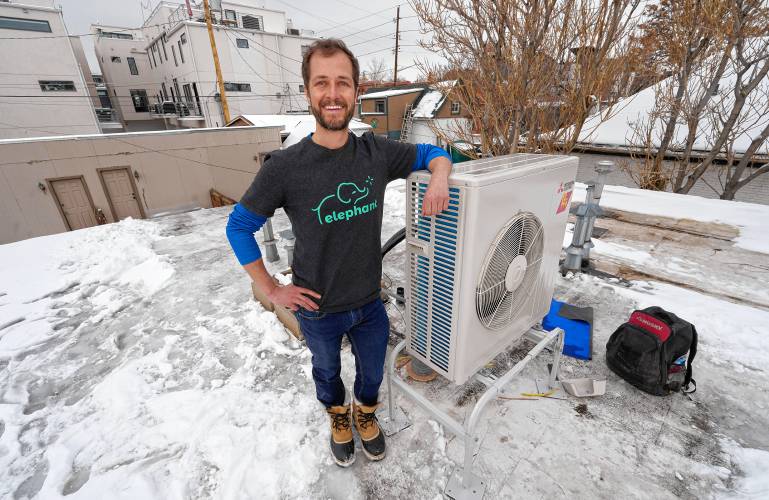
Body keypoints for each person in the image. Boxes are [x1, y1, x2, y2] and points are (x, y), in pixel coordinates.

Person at [226, 38, 452, 467]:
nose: (333, 94)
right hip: (318, 308)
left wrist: (439, 176)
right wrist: (272, 288)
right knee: (327, 372)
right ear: (308, 92)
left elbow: (433, 152)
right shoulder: (285, 167)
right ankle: (338, 418)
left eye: (343, 83)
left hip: (369, 302)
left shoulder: (376, 153)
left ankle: (365, 415)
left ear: (356, 91)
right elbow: (239, 228)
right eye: (322, 83)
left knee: (371, 373)